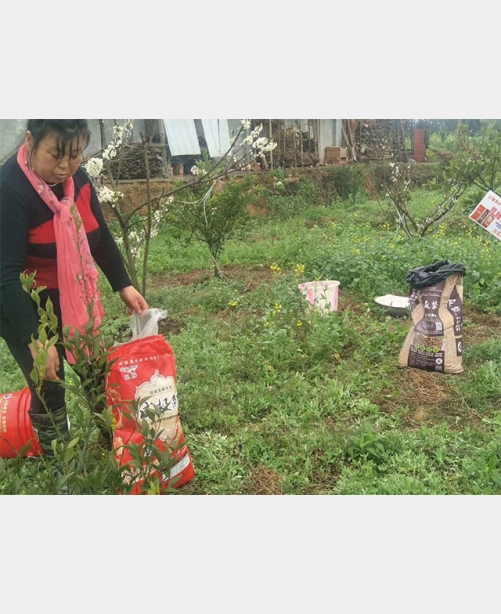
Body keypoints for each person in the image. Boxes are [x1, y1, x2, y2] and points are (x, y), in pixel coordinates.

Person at [0, 119, 148, 457]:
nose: (65, 167)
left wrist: (123, 284)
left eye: (76, 155)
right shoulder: (10, 191)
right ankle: (62, 470)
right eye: (55, 155)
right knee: (48, 382)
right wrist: (37, 338)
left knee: (94, 370)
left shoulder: (75, 181)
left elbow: (99, 235)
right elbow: (5, 276)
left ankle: (115, 445)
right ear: (29, 141)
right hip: (21, 298)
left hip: (72, 296)